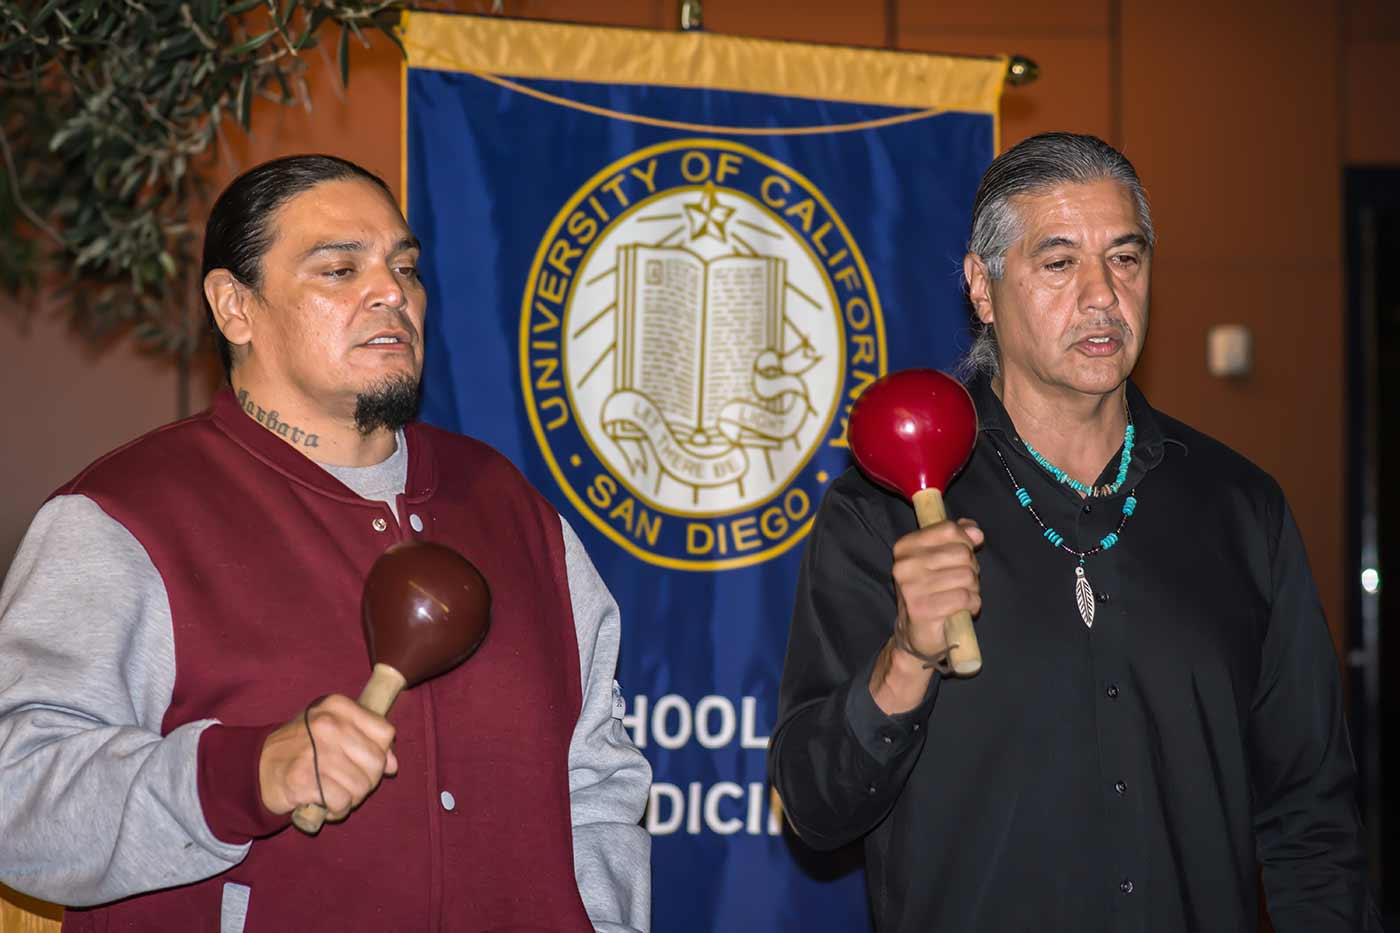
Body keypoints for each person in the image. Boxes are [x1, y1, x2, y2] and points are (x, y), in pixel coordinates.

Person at [0, 155, 651, 932]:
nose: (392, 293)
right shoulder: (126, 516)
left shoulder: (515, 511)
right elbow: (19, 796)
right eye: (340, 269)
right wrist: (242, 775)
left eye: (404, 267)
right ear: (234, 306)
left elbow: (600, 782)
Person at [769, 132, 1379, 932]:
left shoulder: (1239, 508)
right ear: (981, 287)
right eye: (1059, 263)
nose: (1103, 296)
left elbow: (1312, 820)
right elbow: (815, 811)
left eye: (1125, 259)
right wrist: (904, 661)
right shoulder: (881, 513)